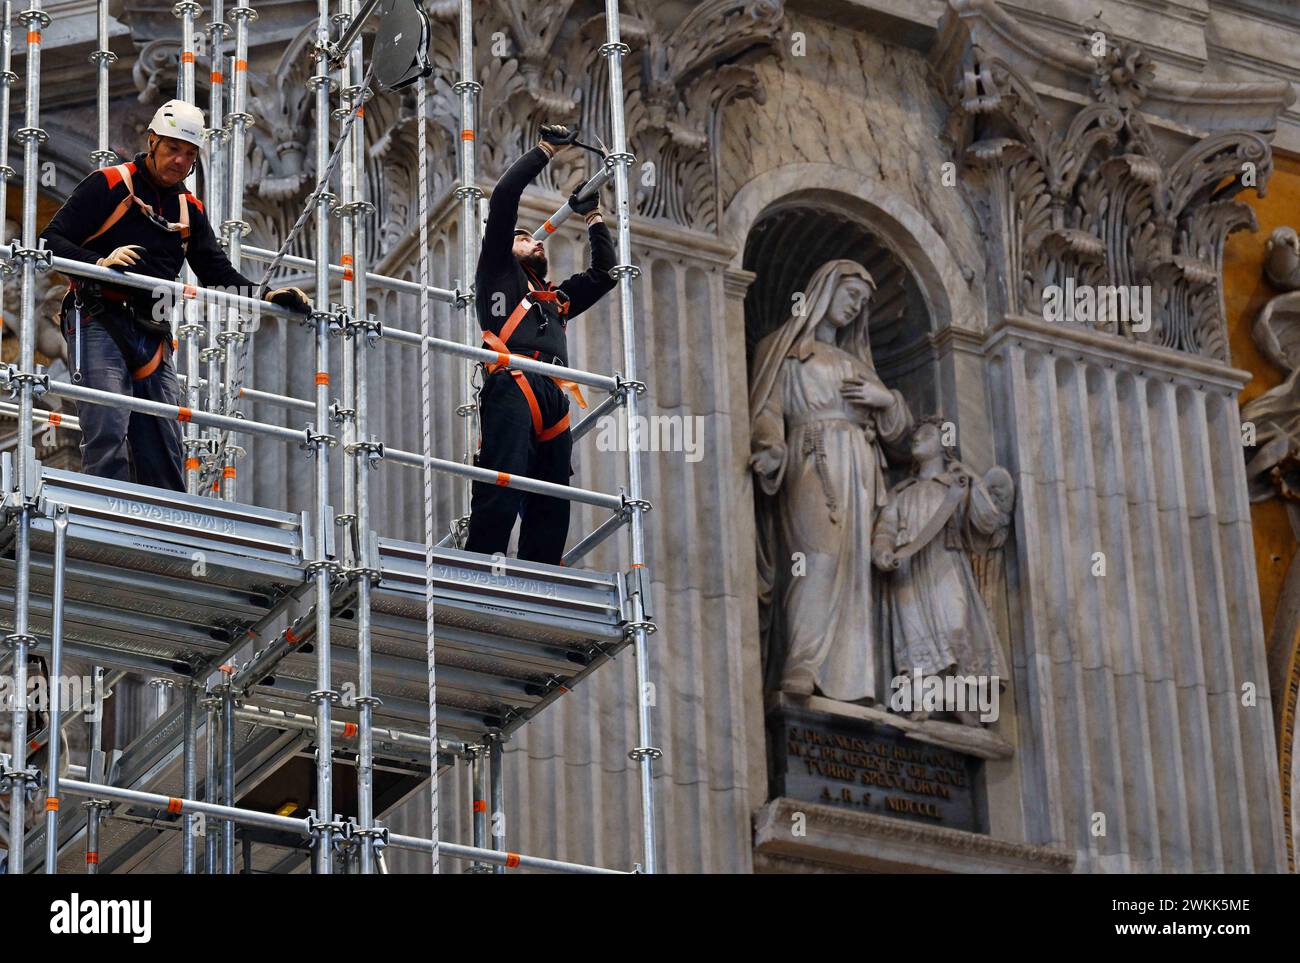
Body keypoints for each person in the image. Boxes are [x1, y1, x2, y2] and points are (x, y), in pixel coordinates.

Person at [40, 99, 309, 491]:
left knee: (165, 445)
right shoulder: (110, 184)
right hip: (97, 318)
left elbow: (217, 273)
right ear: (152, 142)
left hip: (151, 333)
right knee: (107, 426)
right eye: (172, 149)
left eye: (189, 154)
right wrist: (98, 262)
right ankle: (106, 522)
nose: (180, 161)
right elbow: (50, 240)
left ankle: (163, 537)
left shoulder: (189, 210)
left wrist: (267, 295)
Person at [465, 124, 617, 564]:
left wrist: (593, 218)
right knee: (504, 481)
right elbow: (504, 201)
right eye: (521, 238)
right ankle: (481, 566)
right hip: (513, 383)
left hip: (553, 394)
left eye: (534, 238)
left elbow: (604, 275)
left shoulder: (555, 301)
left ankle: (542, 573)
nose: (530, 240)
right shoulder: (497, 273)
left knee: (552, 496)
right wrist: (546, 150)